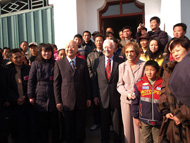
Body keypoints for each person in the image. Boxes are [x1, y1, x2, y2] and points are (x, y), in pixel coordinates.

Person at [54, 40, 91, 143]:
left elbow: (87, 81)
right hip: (66, 102)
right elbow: (56, 84)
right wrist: (58, 101)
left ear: (76, 49)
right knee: (68, 128)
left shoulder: (83, 62)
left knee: (80, 128)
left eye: (72, 47)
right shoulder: (59, 63)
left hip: (81, 100)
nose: (70, 49)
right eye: (68, 47)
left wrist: (88, 98)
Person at [159, 38, 190, 143]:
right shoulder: (169, 69)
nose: (175, 54)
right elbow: (164, 91)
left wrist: (182, 116)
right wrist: (165, 110)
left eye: (178, 50)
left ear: (188, 49)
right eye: (173, 52)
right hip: (172, 120)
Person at [93, 39, 123, 143]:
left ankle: (117, 140)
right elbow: (95, 80)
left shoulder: (120, 61)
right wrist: (95, 96)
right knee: (104, 122)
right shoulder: (97, 61)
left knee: (117, 122)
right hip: (102, 96)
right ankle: (104, 140)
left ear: (114, 48)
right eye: (105, 47)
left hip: (116, 96)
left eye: (109, 47)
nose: (107, 49)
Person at [28, 43, 59, 143]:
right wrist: (31, 96)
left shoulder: (55, 63)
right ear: (40, 52)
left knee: (55, 123)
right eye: (44, 51)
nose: (47, 53)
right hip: (40, 95)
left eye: (49, 51)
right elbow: (31, 81)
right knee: (42, 124)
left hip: (53, 94)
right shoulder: (36, 64)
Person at [117, 41, 145, 143]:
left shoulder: (143, 65)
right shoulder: (122, 66)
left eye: (132, 51)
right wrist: (127, 94)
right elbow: (119, 85)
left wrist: (137, 94)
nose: (129, 54)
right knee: (127, 129)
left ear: (136, 52)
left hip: (140, 101)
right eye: (127, 51)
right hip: (125, 101)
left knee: (138, 129)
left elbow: (145, 83)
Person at [7, 49, 36, 143]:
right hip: (16, 104)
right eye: (16, 58)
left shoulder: (29, 68)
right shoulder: (8, 70)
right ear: (11, 58)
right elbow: (8, 87)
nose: (19, 59)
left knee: (31, 126)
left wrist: (26, 96)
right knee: (19, 127)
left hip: (28, 102)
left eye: (20, 57)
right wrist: (16, 99)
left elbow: (32, 84)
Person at [131, 60, 163, 143]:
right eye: (147, 70)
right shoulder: (139, 83)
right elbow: (135, 101)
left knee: (158, 140)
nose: (149, 72)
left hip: (158, 119)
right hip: (144, 120)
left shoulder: (162, 83)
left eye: (152, 70)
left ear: (157, 71)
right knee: (145, 140)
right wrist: (135, 117)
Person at [87, 34, 104, 131]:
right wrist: (92, 77)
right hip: (94, 81)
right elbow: (89, 68)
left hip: (105, 82)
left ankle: (108, 123)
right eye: (97, 41)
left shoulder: (106, 53)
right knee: (95, 102)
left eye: (101, 40)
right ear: (94, 42)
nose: (99, 42)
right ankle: (96, 122)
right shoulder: (90, 55)